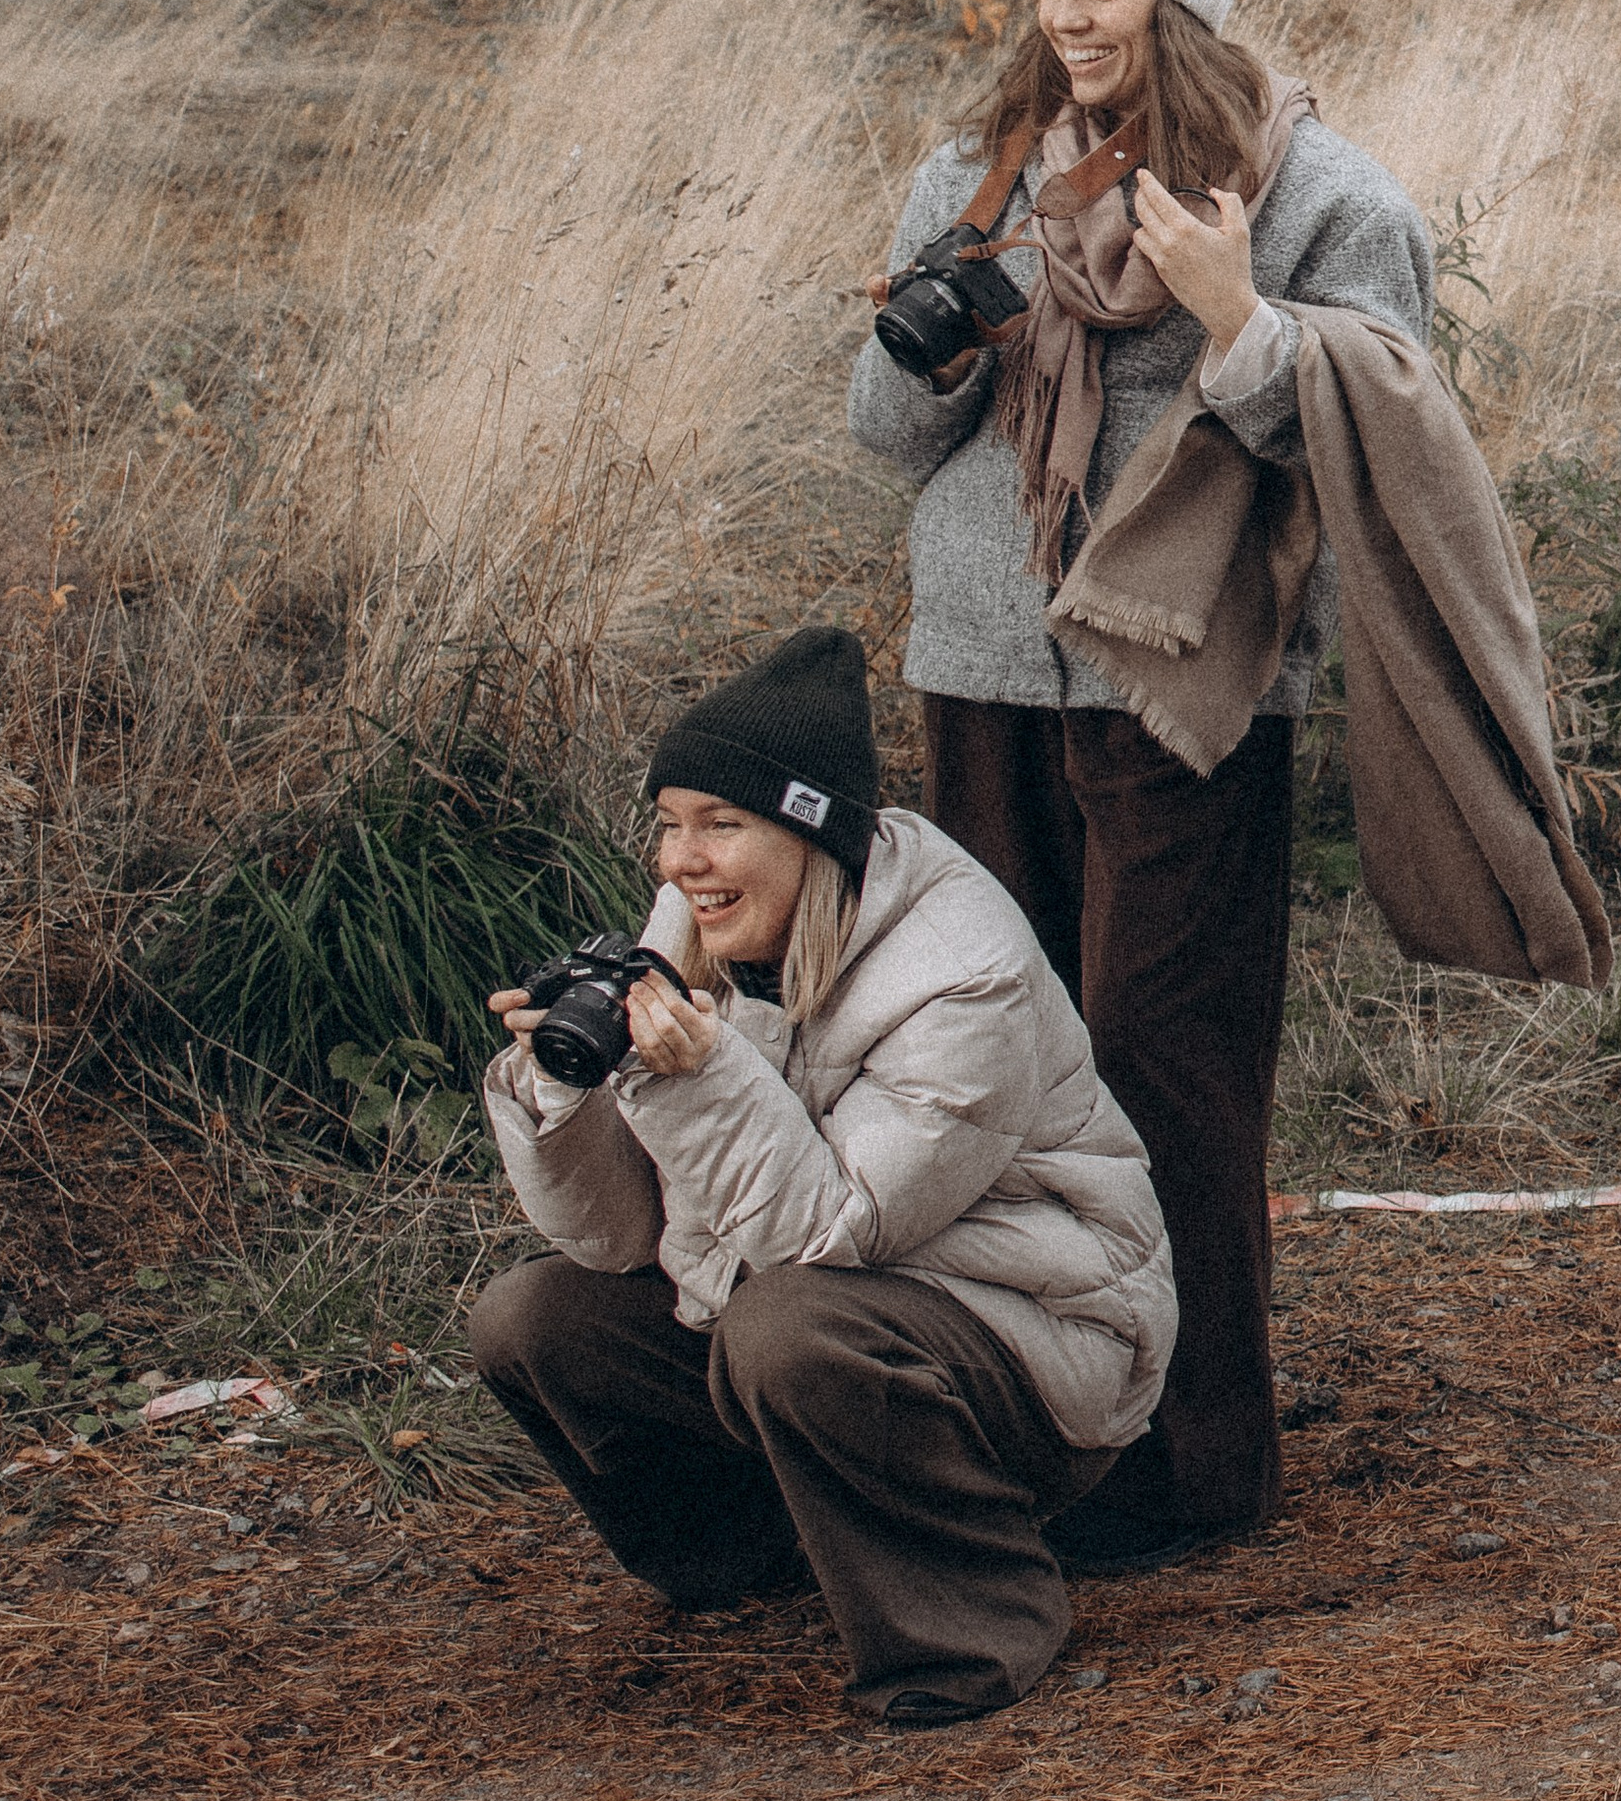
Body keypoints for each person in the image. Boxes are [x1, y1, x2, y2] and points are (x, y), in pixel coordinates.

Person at [848, 0, 1433, 1568]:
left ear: (1177, 2)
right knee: (994, 1066)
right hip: (980, 672)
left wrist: (1238, 321)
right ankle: (1031, 1423)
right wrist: (923, 340)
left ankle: (1198, 1462)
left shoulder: (1319, 192)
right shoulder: (980, 166)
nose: (1067, 18)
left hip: (1177, 686)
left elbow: (1380, 449)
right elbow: (886, 443)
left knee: (1164, 1064)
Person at [468, 626, 1176, 1728]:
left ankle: (971, 1631)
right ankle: (752, 1552)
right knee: (530, 1320)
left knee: (789, 1329)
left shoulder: (960, 975)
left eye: (720, 826)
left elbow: (833, 1228)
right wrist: (553, 1093)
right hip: (827, 1304)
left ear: (811, 835)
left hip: (1043, 1348)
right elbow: (610, 1243)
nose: (678, 862)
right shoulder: (703, 926)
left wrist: (693, 1081)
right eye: (667, 826)